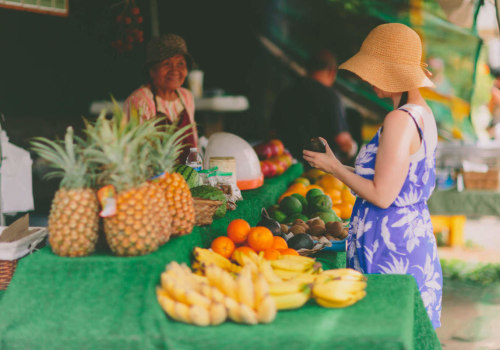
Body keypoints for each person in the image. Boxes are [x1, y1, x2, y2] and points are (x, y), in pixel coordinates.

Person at [303, 23, 442, 328]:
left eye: (375, 71)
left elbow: (382, 194)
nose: (366, 79)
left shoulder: (398, 119)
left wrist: (336, 169)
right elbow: (393, 179)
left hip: (389, 245)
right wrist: (336, 163)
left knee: (384, 333)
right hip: (410, 238)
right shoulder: (422, 113)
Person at [270, 49, 357, 164]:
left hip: (287, 164)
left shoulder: (286, 93)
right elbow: (342, 141)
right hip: (319, 170)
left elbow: (272, 133)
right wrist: (353, 148)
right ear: (332, 72)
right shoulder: (331, 97)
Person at [124, 33, 199, 163]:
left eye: (180, 63)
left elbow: (194, 144)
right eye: (167, 64)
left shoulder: (186, 97)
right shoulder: (141, 100)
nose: (175, 70)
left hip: (186, 178)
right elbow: (137, 154)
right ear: (152, 70)